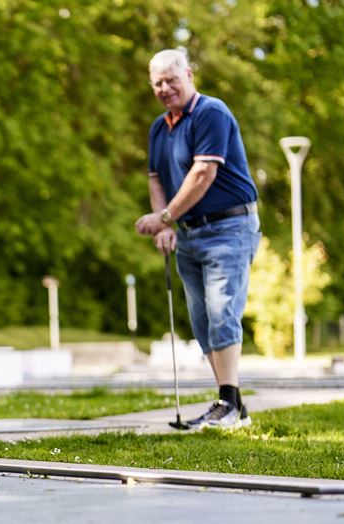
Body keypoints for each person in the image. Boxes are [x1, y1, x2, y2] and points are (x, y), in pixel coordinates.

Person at [135, 49, 260, 429]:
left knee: (223, 312)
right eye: (157, 83)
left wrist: (165, 217)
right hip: (189, 232)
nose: (165, 88)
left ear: (189, 75)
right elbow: (156, 180)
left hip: (228, 228)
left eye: (171, 79)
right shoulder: (159, 128)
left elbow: (203, 173)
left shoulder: (211, 112)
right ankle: (231, 404)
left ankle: (228, 404)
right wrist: (166, 226)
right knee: (203, 321)